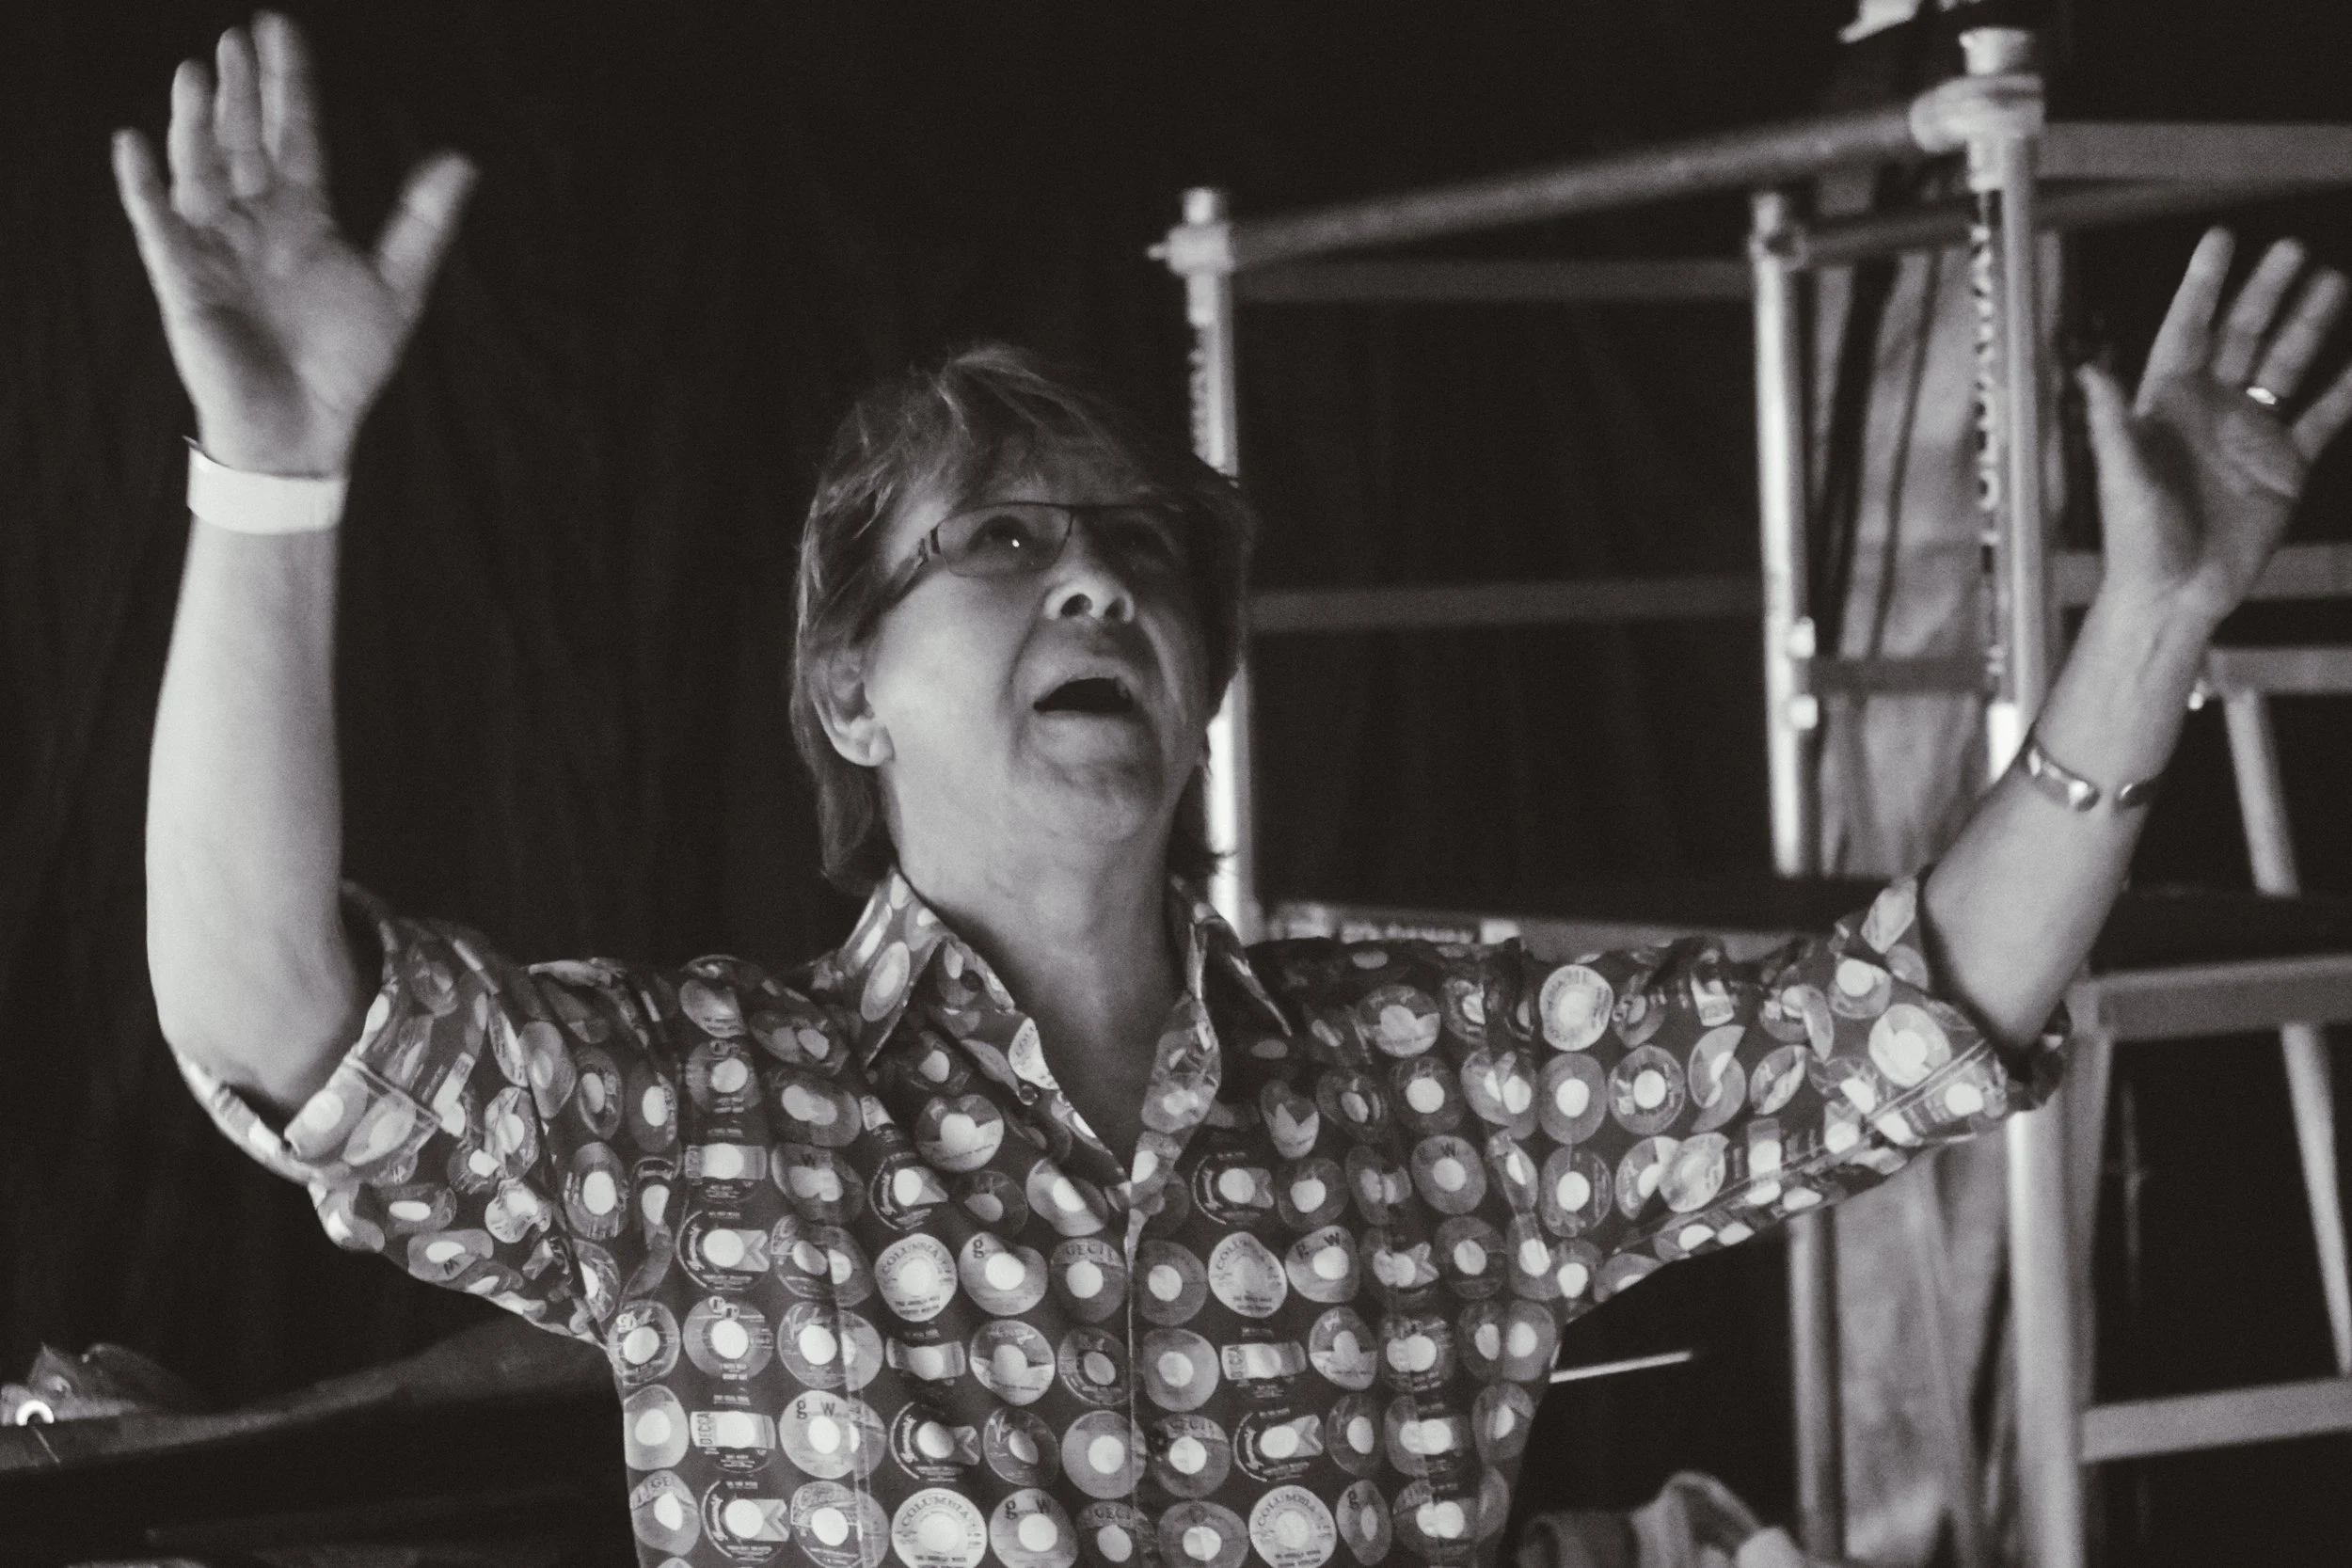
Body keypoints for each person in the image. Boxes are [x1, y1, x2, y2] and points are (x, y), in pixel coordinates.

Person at [122, 14, 2352, 1568]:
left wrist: (2145, 618)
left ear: (1193, 688)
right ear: (846, 695)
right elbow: (270, 1013)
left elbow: (1913, 1023)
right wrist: (274, 474)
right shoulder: (704, 1123)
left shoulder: (1449, 1082)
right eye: (997, 539)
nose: (1091, 570)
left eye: (1135, 552)